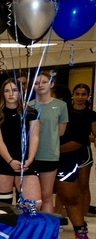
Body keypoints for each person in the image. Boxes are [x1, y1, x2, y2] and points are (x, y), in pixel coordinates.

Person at [0, 77, 40, 207]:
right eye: (7, 91)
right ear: (3, 94)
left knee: (33, 205)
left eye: (14, 90)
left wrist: (30, 159)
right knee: (3, 205)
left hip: (25, 162)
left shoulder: (31, 112)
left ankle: (25, 222)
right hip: (2, 161)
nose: (11, 94)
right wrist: (10, 161)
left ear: (20, 92)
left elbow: (34, 137)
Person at [53, 84, 92, 239]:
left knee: (70, 197)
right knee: (41, 197)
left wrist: (54, 150)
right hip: (42, 162)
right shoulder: (39, 115)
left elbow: (78, 141)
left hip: (65, 162)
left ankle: (80, 230)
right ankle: (44, 230)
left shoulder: (75, 117)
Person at [27, 70, 68, 213]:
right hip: (30, 156)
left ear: (52, 84)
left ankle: (47, 226)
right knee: (30, 197)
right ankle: (31, 225)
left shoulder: (61, 106)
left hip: (49, 155)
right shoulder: (27, 106)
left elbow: (61, 131)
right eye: (37, 83)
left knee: (46, 195)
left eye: (44, 82)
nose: (40, 85)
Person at [70, 83, 96, 224]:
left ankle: (83, 216)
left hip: (83, 153)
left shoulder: (91, 114)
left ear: (88, 96)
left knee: (83, 186)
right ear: (73, 95)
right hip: (66, 152)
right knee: (64, 185)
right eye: (77, 94)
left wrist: (83, 138)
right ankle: (59, 215)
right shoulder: (66, 110)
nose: (80, 97)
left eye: (83, 94)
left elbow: (94, 136)